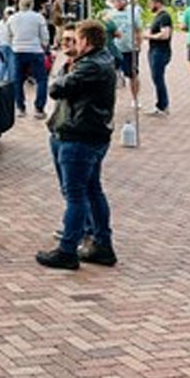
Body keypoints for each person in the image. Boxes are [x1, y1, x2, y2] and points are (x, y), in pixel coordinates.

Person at [36, 19, 118, 271]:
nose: (72, 44)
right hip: (88, 134)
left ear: (87, 41)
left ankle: (68, 249)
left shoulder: (91, 65)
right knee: (91, 190)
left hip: (78, 136)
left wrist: (66, 71)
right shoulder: (100, 61)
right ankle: (101, 244)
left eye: (76, 40)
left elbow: (58, 88)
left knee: (76, 194)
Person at [7, 0, 50, 118]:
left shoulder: (12, 18)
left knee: (18, 80)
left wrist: (13, 45)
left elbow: (8, 35)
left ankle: (20, 107)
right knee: (41, 79)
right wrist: (44, 46)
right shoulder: (38, 17)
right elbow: (44, 35)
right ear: (31, 5)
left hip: (18, 50)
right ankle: (39, 108)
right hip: (35, 50)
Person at [105, 0, 142, 109]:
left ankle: (135, 99)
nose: (118, 3)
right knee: (110, 76)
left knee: (133, 74)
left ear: (125, 2)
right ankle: (109, 100)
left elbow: (138, 30)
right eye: (116, 1)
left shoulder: (133, 13)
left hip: (130, 49)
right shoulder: (110, 14)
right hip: (114, 49)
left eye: (121, 1)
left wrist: (138, 44)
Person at [145, 0, 173, 116]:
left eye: (151, 4)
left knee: (158, 78)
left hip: (160, 51)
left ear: (157, 3)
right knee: (156, 78)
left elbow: (165, 34)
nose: (149, 6)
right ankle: (162, 104)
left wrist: (148, 36)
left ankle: (163, 105)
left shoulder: (164, 17)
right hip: (155, 50)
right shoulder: (159, 17)